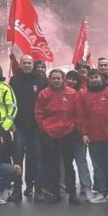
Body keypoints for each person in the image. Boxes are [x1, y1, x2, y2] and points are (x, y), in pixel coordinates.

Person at [34, 69, 81, 205]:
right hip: (50, 134)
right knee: (52, 165)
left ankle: (72, 194)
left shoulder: (72, 94)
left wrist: (72, 128)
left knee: (68, 165)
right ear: (50, 79)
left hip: (68, 133)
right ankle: (55, 193)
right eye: (53, 78)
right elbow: (39, 113)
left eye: (58, 78)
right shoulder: (44, 94)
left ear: (63, 79)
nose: (56, 81)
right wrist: (45, 129)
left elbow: (78, 113)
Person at [80, 69, 108, 206]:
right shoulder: (84, 95)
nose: (94, 80)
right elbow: (81, 116)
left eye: (96, 77)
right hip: (93, 138)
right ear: (89, 79)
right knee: (98, 167)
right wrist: (83, 133)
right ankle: (101, 192)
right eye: (92, 77)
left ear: (101, 78)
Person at [10, 54, 47, 200]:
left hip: (36, 128)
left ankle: (37, 189)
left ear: (33, 65)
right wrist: (11, 122)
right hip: (19, 127)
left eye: (29, 63)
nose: (26, 65)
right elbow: (10, 103)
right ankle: (17, 190)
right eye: (24, 62)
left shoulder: (41, 80)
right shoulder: (14, 80)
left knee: (37, 159)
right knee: (18, 160)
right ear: (20, 64)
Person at [64, 70, 94, 200]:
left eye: (73, 79)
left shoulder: (82, 94)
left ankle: (86, 186)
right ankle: (62, 186)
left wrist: (84, 132)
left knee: (81, 161)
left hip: (77, 133)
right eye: (68, 78)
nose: (70, 81)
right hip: (63, 133)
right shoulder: (61, 93)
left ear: (78, 81)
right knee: (63, 162)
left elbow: (83, 115)